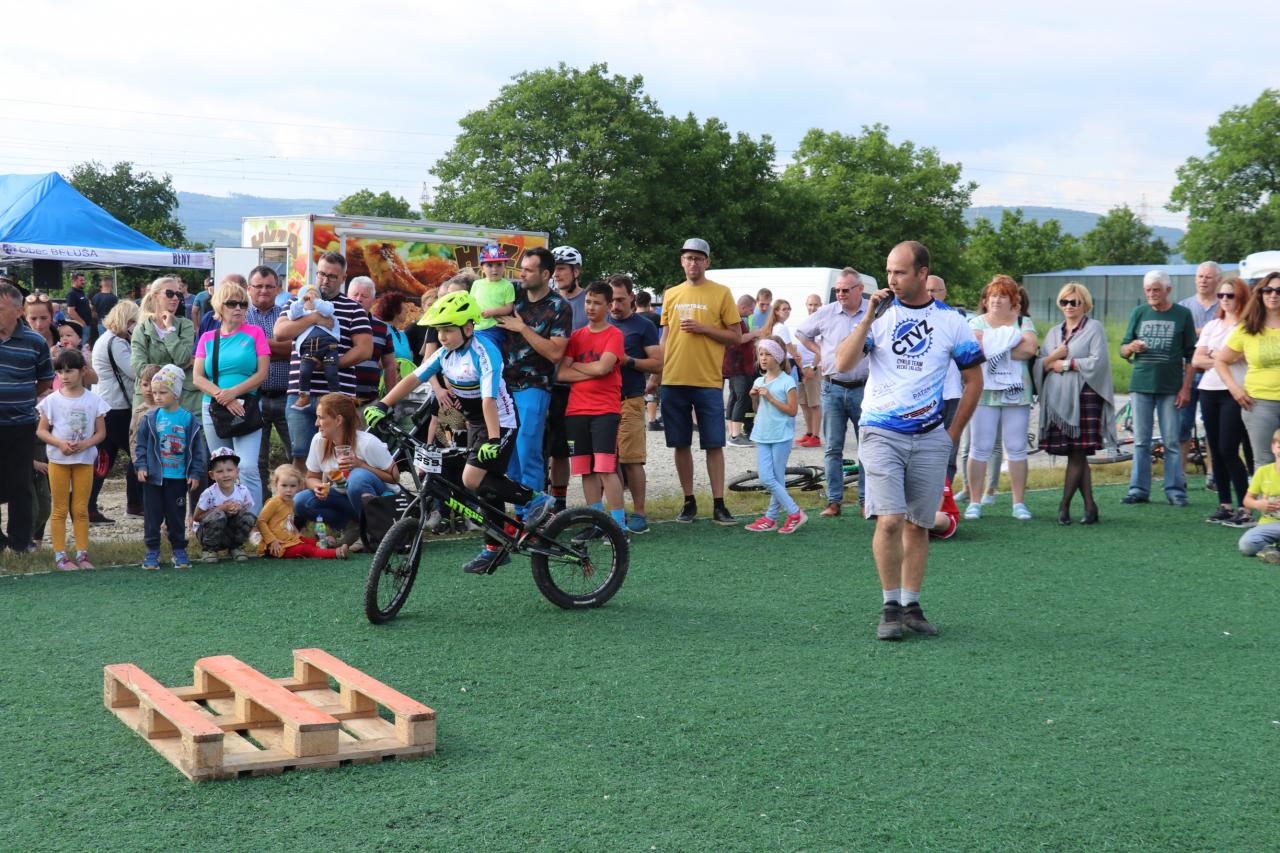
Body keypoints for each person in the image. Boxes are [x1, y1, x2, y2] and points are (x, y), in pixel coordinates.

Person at [834, 241, 985, 641]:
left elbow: (974, 380)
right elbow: (843, 364)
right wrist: (867, 317)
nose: (891, 279)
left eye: (900, 272)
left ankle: (911, 605)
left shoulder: (952, 321)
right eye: (888, 271)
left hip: (930, 435)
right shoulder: (880, 316)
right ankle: (889, 606)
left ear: (922, 273)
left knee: (919, 524)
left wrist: (952, 434)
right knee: (889, 519)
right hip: (881, 431)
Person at [366, 292, 550, 574]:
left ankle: (536, 499)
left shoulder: (484, 353)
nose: (442, 336)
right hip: (475, 421)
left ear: (468, 328)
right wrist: (383, 404)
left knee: (471, 479)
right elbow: (413, 378)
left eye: (448, 330)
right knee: (485, 485)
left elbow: (489, 401)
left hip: (500, 421)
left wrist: (493, 439)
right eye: (439, 331)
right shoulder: (445, 354)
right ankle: (495, 547)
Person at [657, 238, 742, 525]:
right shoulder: (671, 294)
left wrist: (703, 328)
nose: (693, 263)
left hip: (707, 380)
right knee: (680, 443)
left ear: (707, 262)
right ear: (681, 261)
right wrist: (657, 374)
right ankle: (688, 501)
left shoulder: (721, 292)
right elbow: (666, 338)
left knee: (714, 443)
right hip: (673, 379)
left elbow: (736, 336)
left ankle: (719, 504)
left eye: (698, 258)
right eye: (688, 258)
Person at [273, 251, 372, 474]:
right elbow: (279, 333)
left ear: (343, 278)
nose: (325, 280)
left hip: (337, 394)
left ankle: (338, 495)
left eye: (332, 276)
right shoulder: (296, 302)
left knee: (340, 455)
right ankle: (303, 497)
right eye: (321, 274)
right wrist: (314, 318)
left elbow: (365, 349)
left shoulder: (353, 308)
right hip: (300, 394)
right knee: (300, 455)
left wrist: (332, 364)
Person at [493, 246, 569, 518]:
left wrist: (522, 328)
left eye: (528, 270)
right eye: (521, 269)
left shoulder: (559, 306)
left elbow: (556, 353)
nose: (521, 274)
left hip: (534, 385)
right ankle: (520, 513)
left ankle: (534, 516)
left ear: (545, 274)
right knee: (509, 454)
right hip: (503, 386)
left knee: (527, 450)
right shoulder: (512, 293)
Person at [1034, 283, 1116, 525]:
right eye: (1064, 302)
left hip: (1085, 395)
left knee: (1078, 453)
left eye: (1074, 302)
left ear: (1085, 305)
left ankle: (1064, 505)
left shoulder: (1094, 328)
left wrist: (1066, 364)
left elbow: (1098, 361)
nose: (1069, 306)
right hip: (1057, 399)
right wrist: (1053, 357)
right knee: (1074, 453)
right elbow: (1041, 364)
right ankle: (1090, 507)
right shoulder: (1053, 333)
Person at [963, 275, 1039, 521]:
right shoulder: (976, 322)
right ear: (986, 300)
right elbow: (976, 349)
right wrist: (1009, 342)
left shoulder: (1023, 321)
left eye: (1003, 296)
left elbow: (1029, 349)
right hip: (984, 391)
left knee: (1016, 447)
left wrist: (992, 345)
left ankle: (1019, 503)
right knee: (980, 446)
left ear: (1013, 300)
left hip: (1017, 391)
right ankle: (975, 502)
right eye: (993, 295)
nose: (997, 300)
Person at [1119, 269, 1197, 506]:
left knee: (1171, 441)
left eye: (1156, 290)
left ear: (1168, 290)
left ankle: (1175, 491)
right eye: (1148, 290)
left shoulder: (1182, 314)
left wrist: (1186, 388)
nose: (1151, 294)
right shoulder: (1139, 312)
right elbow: (1123, 349)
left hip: (1170, 387)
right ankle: (1138, 490)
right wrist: (1131, 347)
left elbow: (1191, 355)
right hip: (1141, 384)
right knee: (1141, 441)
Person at [795, 268, 869, 516]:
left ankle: (866, 501)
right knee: (832, 448)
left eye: (845, 290)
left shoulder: (872, 311)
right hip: (832, 386)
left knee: (867, 448)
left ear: (860, 289)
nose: (840, 294)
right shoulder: (826, 312)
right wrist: (821, 352)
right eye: (837, 290)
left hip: (864, 388)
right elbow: (801, 333)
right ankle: (834, 501)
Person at [191, 279, 269, 509]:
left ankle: (252, 521)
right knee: (222, 468)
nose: (238, 308)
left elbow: (262, 373)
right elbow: (197, 377)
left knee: (247, 467)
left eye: (243, 304)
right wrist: (223, 397)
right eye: (232, 303)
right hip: (214, 407)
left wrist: (233, 394)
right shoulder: (207, 338)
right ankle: (226, 517)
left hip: (247, 405)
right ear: (219, 306)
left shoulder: (255, 333)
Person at [558, 282, 628, 528]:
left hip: (604, 411)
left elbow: (604, 368)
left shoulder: (614, 335)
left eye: (597, 303)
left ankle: (618, 525)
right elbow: (562, 374)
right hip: (576, 411)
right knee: (585, 470)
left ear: (608, 306)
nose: (590, 307)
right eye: (588, 302)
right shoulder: (576, 336)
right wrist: (592, 370)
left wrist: (578, 367)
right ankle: (596, 524)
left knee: (606, 469)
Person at [37, 348, 108, 570]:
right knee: (59, 509)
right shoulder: (51, 401)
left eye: (69, 371)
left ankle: (82, 554)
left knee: (80, 509)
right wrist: (59, 443)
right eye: (60, 372)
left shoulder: (94, 400)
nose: (64, 376)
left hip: (84, 460)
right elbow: (41, 431)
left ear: (83, 370)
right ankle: (60, 556)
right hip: (58, 461)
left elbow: (101, 433)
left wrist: (85, 445)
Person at [293, 393, 399, 543]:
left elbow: (395, 478)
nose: (316, 423)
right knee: (300, 501)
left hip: (382, 502)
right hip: (346, 500)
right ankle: (351, 527)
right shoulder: (318, 440)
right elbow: (311, 477)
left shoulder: (367, 443)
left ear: (338, 420)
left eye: (321, 418)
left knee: (357, 478)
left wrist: (361, 465)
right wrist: (317, 487)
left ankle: (371, 530)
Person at [134, 364, 207, 571]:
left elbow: (197, 450)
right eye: (155, 392)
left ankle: (179, 549)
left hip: (177, 478)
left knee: (176, 516)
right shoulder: (150, 418)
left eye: (163, 392)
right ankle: (152, 551)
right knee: (152, 516)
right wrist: (141, 466)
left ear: (176, 393)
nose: (157, 397)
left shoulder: (189, 420)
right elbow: (140, 446)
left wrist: (195, 473)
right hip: (154, 478)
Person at [2, 284, 54, 555]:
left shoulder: (34, 342)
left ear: (17, 311)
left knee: (20, 484)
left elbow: (45, 379)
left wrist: (20, 396)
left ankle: (20, 542)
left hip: (21, 424)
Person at [608, 273, 662, 534]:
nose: (615, 306)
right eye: (611, 300)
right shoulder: (600, 322)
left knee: (632, 460)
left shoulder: (644, 325)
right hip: (603, 401)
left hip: (630, 398)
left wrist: (628, 360)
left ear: (631, 297)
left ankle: (640, 513)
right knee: (609, 462)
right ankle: (616, 514)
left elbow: (658, 364)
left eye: (620, 300)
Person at [1196, 276, 1252, 527]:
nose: (1225, 300)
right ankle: (1225, 505)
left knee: (1229, 448)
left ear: (1242, 297)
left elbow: (1238, 355)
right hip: (1209, 390)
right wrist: (1220, 357)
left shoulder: (1248, 326)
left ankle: (1245, 507)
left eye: (1231, 295)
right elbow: (1197, 359)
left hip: (1235, 390)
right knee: (1216, 450)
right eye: (1221, 295)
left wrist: (1214, 355)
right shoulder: (1212, 325)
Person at [744, 338, 806, 534]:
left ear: (778, 357)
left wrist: (770, 397)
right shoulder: (759, 381)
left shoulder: (787, 381)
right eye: (761, 354)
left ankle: (785, 515)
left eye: (768, 354)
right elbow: (757, 409)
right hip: (762, 434)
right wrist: (754, 398)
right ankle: (782, 515)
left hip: (781, 435)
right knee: (768, 479)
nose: (763, 358)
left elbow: (792, 410)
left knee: (774, 479)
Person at [88, 301, 143, 523]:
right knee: (138, 454)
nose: (136, 325)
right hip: (117, 408)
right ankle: (135, 503)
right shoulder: (117, 343)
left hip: (105, 407)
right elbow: (135, 371)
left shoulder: (105, 339)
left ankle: (89, 506)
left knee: (104, 459)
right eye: (134, 321)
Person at [244, 265, 292, 500]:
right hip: (255, 398)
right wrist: (277, 348)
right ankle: (261, 509)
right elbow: (243, 353)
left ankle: (295, 509)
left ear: (278, 289)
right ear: (248, 288)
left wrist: (259, 346)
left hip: (287, 396)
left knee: (296, 454)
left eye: (269, 286)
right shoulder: (241, 316)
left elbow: (296, 349)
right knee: (257, 460)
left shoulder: (288, 316)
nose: (263, 291)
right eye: (258, 286)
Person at [547, 245, 588, 509]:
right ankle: (552, 500)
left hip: (580, 385)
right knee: (551, 448)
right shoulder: (547, 300)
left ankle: (572, 502)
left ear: (576, 271)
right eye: (554, 269)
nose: (556, 274)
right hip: (548, 384)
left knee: (578, 449)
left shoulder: (588, 301)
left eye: (562, 268)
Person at [131, 277, 201, 414]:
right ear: (155, 296)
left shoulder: (186, 325)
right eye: (169, 293)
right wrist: (178, 368)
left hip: (181, 399)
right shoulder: (141, 329)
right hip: (149, 399)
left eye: (178, 294)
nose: (175, 298)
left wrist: (170, 329)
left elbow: (182, 358)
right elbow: (139, 368)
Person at [1179, 261, 1221, 478]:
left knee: (1213, 426)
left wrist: (1197, 333)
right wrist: (1204, 332)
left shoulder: (1225, 305)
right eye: (1200, 276)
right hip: (1186, 374)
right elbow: (1179, 338)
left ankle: (1213, 473)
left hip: (1214, 375)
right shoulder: (1183, 306)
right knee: (1182, 425)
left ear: (1218, 280)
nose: (1203, 281)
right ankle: (1179, 474)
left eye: (1208, 277)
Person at [256, 464, 348, 559]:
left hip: (289, 539)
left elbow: (289, 521)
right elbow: (260, 521)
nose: (288, 490)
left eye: (293, 486)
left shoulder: (290, 501)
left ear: (298, 486)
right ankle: (336, 553)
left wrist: (297, 534)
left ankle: (326, 545)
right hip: (278, 547)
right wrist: (272, 541)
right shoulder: (274, 503)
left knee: (309, 541)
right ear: (276, 484)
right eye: (284, 485)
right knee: (306, 549)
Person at [927, 275, 965, 482]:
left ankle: (946, 491)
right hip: (924, 395)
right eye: (927, 290)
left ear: (944, 293)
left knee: (949, 446)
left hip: (951, 393)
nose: (930, 294)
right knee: (924, 447)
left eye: (935, 290)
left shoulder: (955, 319)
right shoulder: (915, 318)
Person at [194, 446, 258, 561]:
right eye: (220, 471)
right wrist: (221, 508)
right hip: (207, 535)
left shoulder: (243, 491)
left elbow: (246, 515)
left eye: (230, 470)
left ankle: (236, 547)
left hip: (229, 534)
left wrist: (238, 509)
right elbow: (197, 517)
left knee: (249, 517)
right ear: (212, 475)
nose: (226, 474)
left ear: (237, 472)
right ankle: (209, 550)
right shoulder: (209, 493)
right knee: (219, 515)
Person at [287, 283, 342, 410]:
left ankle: (335, 396)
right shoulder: (301, 314)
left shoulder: (326, 309)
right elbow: (292, 314)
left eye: (316, 295)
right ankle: (304, 396)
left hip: (329, 347)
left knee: (331, 372)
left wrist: (316, 302)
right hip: (309, 348)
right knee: (304, 371)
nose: (311, 298)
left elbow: (328, 310)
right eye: (308, 297)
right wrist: (302, 301)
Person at [346, 276, 400, 406]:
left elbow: (389, 365)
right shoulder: (336, 323)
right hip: (338, 401)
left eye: (364, 296)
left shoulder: (382, 328)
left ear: (373, 300)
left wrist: (390, 400)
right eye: (355, 294)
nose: (359, 299)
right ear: (347, 296)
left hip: (369, 401)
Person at [1237, 429, 1280, 562]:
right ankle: (1270, 550)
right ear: (1273, 448)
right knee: (1246, 543)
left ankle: (1274, 551)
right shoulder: (1263, 472)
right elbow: (1247, 500)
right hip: (1269, 524)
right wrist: (1258, 504)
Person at [724, 294, 759, 448]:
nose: (752, 313)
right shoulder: (735, 319)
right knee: (742, 397)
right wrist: (754, 334)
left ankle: (732, 433)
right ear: (744, 307)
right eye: (751, 309)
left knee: (734, 397)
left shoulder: (734, 318)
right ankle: (736, 436)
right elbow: (739, 339)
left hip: (734, 365)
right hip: (739, 366)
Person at [472, 244, 516, 350]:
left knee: (491, 353)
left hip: (494, 328)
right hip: (475, 327)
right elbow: (471, 302)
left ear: (505, 266)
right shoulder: (476, 284)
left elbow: (509, 308)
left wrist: (493, 312)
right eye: (490, 265)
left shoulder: (507, 286)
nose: (494, 269)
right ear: (482, 268)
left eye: (499, 265)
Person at [793, 294, 824, 446]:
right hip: (802, 368)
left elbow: (821, 350)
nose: (813, 308)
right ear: (806, 305)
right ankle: (809, 432)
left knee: (814, 403)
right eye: (810, 304)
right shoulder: (805, 322)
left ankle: (816, 436)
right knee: (804, 403)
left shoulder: (821, 324)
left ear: (821, 305)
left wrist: (813, 367)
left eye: (816, 304)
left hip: (813, 368)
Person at [64, 271, 95, 342]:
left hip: (86, 325)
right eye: (81, 280)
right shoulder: (72, 293)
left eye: (84, 280)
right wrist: (82, 323)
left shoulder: (81, 292)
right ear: (74, 281)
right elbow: (71, 311)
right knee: (81, 345)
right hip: (80, 326)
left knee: (85, 346)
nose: (83, 282)